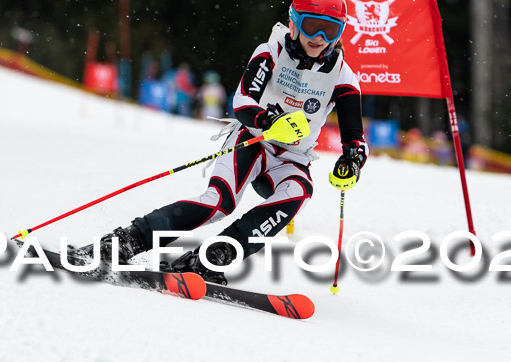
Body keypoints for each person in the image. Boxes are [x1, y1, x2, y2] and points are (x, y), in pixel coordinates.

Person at [83, 0, 368, 285]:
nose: (320, 38)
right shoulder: (271, 51)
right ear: (293, 23)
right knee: (218, 203)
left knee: (299, 191)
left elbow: (355, 140)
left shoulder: (343, 76)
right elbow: (242, 102)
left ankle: (213, 257)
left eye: (331, 30)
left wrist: (351, 162)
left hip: (292, 158)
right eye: (312, 27)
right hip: (252, 140)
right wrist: (267, 121)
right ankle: (126, 241)